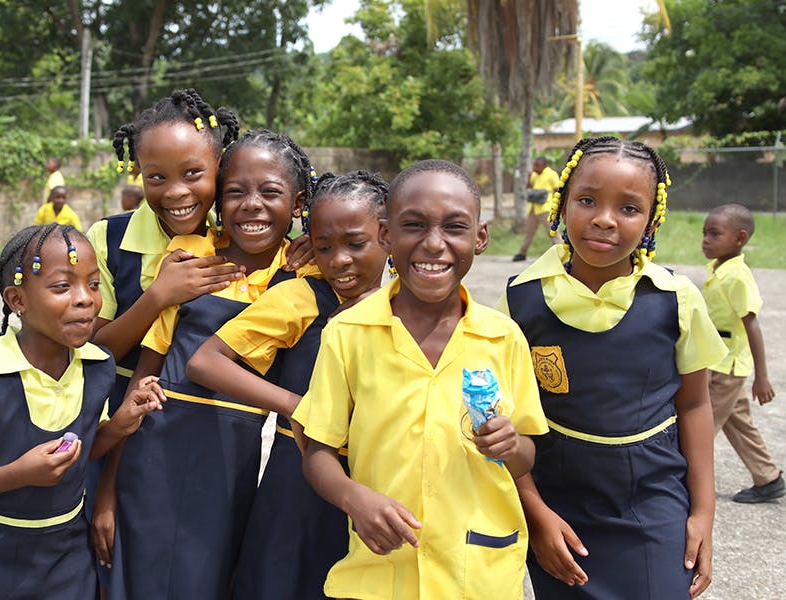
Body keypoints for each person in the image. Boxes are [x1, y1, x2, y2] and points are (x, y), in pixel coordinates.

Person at [294, 159, 548, 599]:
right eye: (413, 225)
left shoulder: (503, 338)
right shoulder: (348, 333)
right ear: (386, 235)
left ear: (480, 237)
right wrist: (354, 498)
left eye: (455, 227)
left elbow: (525, 456)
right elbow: (318, 451)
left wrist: (510, 445)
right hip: (380, 576)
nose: (433, 244)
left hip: (477, 577)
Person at [499, 136, 727, 599]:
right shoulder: (521, 299)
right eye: (587, 200)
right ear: (562, 204)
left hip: (652, 495)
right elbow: (509, 421)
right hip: (557, 501)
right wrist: (535, 514)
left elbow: (694, 405)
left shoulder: (676, 299)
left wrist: (703, 513)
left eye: (628, 208)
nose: (604, 219)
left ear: (652, 220)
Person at [109, 129, 320, 599]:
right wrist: (106, 490)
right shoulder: (191, 255)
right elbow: (146, 373)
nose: (252, 205)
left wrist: (317, 242)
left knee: (207, 580)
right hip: (152, 454)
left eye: (270, 192)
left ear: (299, 202)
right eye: (235, 192)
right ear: (219, 201)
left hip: (228, 466)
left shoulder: (303, 274)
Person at [0, 223, 165, 599]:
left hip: (68, 557)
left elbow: (79, 452)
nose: (85, 299)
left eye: (94, 284)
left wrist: (118, 426)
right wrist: (18, 474)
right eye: (62, 286)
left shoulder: (96, 367)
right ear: (17, 299)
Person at [187, 170, 389, 600]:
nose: (339, 260)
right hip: (297, 482)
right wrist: (298, 406)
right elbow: (205, 362)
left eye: (356, 244)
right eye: (323, 246)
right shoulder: (301, 297)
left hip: (381, 479)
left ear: (388, 237)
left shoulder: (408, 304)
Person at [84, 88, 244, 589]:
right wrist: (158, 296)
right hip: (115, 426)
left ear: (220, 167)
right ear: (137, 173)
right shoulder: (108, 239)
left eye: (193, 173)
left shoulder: (240, 238)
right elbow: (92, 352)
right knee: (116, 571)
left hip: (205, 443)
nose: (176, 192)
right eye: (157, 177)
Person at [701, 203, 784, 503]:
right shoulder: (718, 269)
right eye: (704, 233)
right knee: (739, 423)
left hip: (727, 368)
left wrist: (762, 376)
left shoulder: (737, 276)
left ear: (740, 238)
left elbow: (752, 325)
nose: (705, 240)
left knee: (698, 428)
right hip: (718, 361)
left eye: (714, 234)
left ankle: (679, 484)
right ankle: (768, 478)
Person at [513, 156, 561, 261]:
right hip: (533, 208)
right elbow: (529, 187)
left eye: (537, 165)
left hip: (546, 208)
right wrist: (529, 176)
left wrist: (557, 206)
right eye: (534, 165)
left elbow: (558, 190)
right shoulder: (534, 174)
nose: (535, 167)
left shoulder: (551, 174)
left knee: (553, 231)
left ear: (544, 165)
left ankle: (562, 253)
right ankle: (522, 253)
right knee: (529, 232)